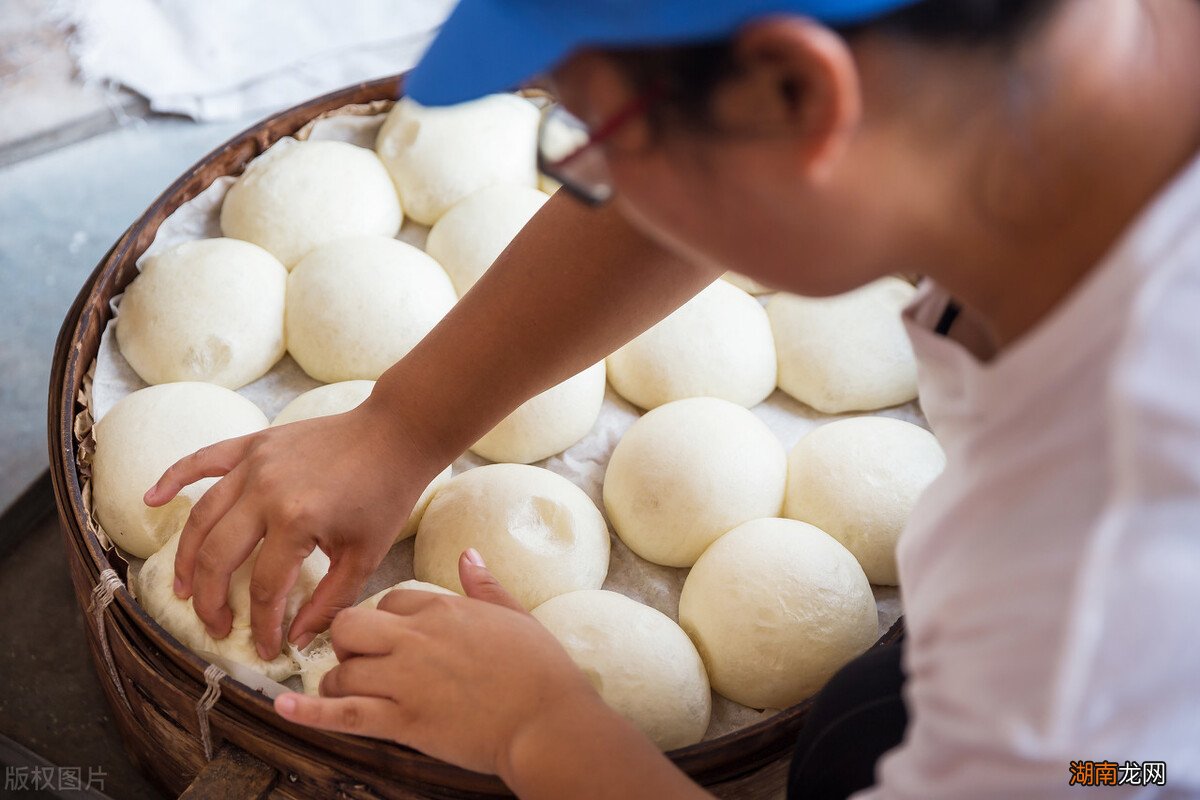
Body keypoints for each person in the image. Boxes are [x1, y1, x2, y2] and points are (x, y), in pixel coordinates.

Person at [144, 0, 1200, 796]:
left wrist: (544, 730)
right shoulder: (1085, 79)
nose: (589, 173)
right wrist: (402, 421)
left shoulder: (1102, 580)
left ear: (797, 97)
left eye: (593, 141)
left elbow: (1120, 758)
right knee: (863, 722)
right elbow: (711, 168)